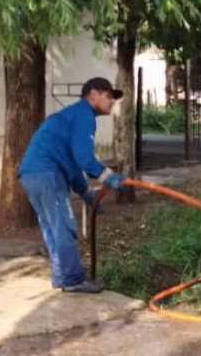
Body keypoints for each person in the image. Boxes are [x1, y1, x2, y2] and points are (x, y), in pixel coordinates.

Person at [18, 77, 127, 294]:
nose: (112, 101)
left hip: (31, 175)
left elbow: (73, 161)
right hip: (48, 174)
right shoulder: (84, 115)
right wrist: (108, 176)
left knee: (52, 228)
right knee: (64, 227)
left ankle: (62, 277)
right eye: (108, 96)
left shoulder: (72, 115)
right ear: (93, 94)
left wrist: (86, 192)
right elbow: (84, 157)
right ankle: (73, 279)